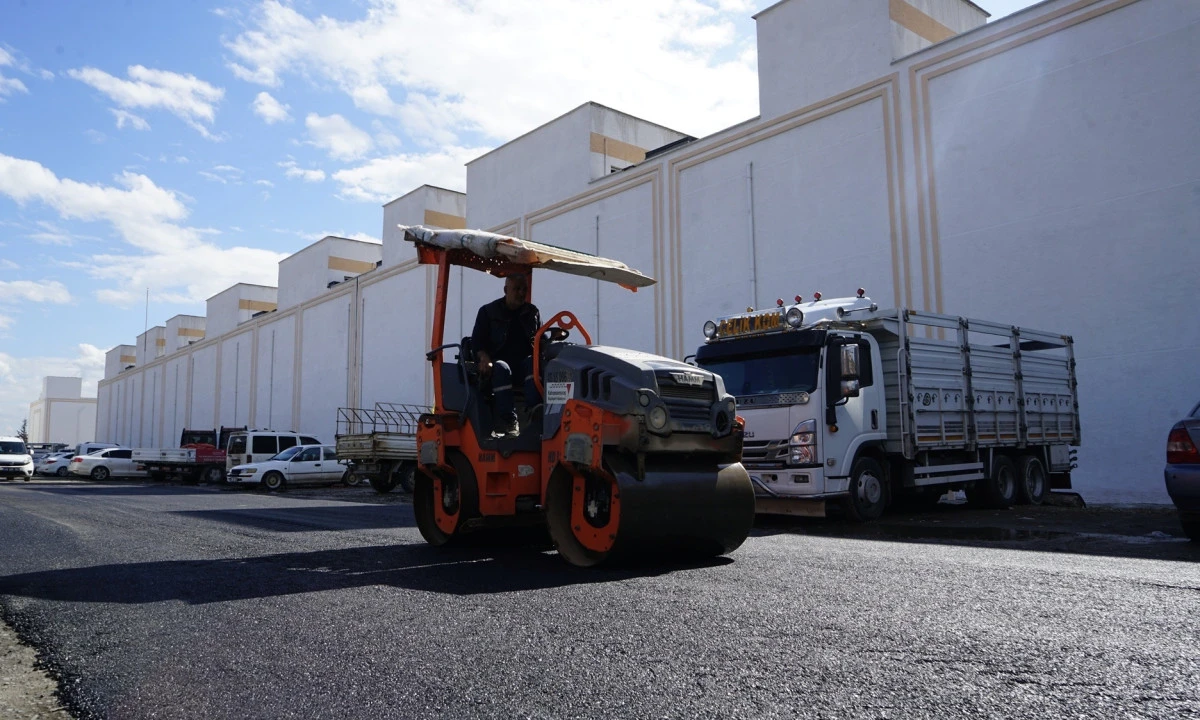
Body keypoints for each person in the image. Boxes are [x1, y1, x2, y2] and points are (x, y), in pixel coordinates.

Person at [472, 273, 541, 438]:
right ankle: (509, 421)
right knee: (502, 368)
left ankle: (536, 413)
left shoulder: (532, 312)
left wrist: (553, 340)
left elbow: (540, 338)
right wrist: (484, 358)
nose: (521, 293)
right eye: (517, 289)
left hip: (524, 367)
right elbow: (477, 343)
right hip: (496, 368)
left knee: (534, 363)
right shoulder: (488, 312)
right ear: (505, 290)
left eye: (524, 289)